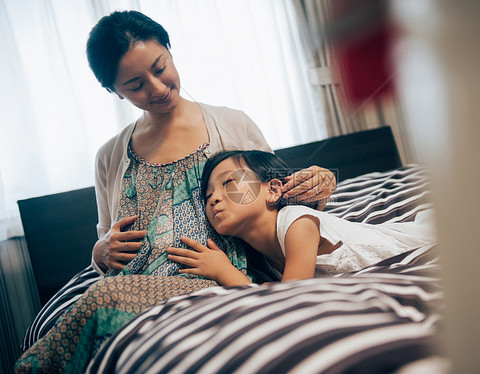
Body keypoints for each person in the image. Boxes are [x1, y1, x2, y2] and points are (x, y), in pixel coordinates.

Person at [15, 10, 335, 373]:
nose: (157, 88)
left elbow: (281, 199)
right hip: (130, 285)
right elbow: (105, 241)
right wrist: (100, 251)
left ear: (169, 50)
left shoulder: (231, 124)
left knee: (99, 299)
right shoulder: (110, 156)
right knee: (98, 298)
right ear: (114, 92)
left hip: (211, 280)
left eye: (159, 66)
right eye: (135, 85)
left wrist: (321, 182)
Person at [166, 150, 437, 283]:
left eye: (228, 183)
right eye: (208, 194)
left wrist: (226, 273)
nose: (213, 198)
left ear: (273, 190)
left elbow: (292, 298)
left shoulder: (296, 222)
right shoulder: (263, 262)